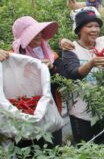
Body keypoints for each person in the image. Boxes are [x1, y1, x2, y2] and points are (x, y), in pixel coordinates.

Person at [0, 16, 63, 147]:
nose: (39, 35)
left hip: (51, 115)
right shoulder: (11, 59)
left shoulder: (51, 55)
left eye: (40, 31)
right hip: (22, 120)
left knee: (54, 150)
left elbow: (65, 80)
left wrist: (52, 69)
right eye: (34, 33)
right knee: (29, 151)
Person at [62, 9, 104, 144]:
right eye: (89, 26)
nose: (94, 29)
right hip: (79, 110)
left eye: (96, 26)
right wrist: (91, 63)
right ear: (78, 30)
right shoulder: (71, 49)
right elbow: (73, 74)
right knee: (84, 148)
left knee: (103, 146)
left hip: (102, 108)